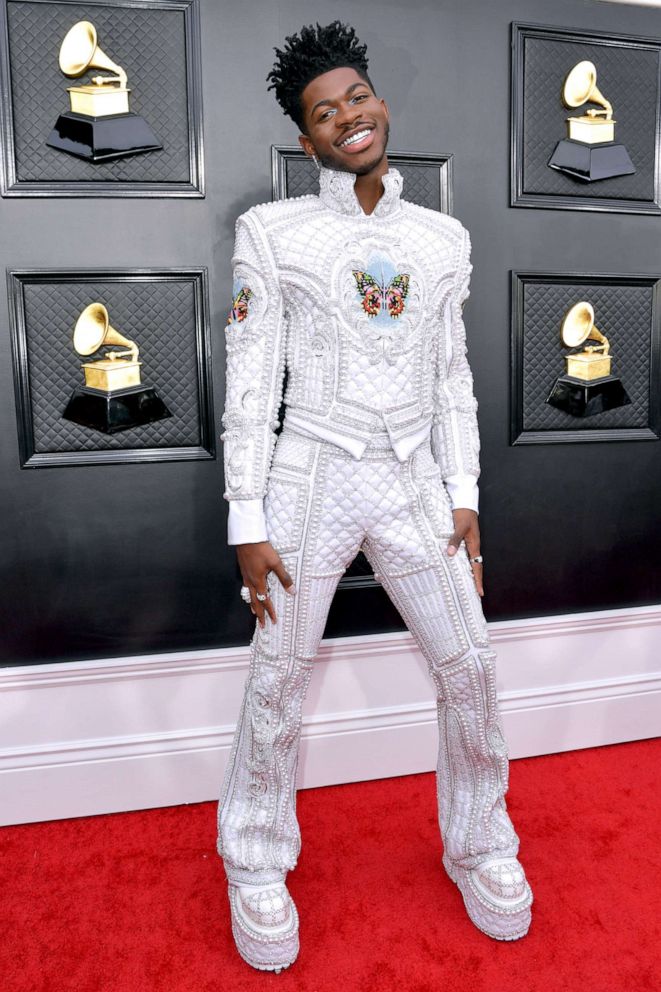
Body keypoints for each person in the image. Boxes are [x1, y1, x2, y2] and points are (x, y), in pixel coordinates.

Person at [217, 20, 533, 973]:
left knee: (470, 666)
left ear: (378, 104)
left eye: (354, 98)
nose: (346, 117)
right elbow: (247, 383)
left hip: (413, 481)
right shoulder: (272, 233)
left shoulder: (442, 238)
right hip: (307, 473)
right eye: (324, 112)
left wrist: (463, 490)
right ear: (304, 139)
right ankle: (255, 860)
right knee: (278, 677)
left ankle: (480, 844)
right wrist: (246, 518)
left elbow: (450, 377)